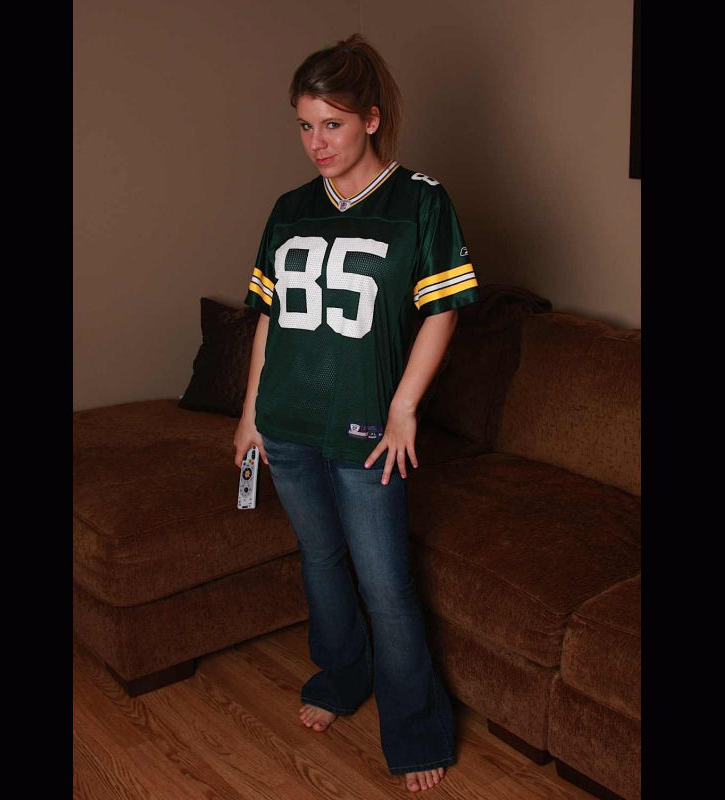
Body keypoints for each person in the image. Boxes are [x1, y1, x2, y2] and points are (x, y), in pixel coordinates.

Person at [233, 33, 479, 793]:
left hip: (368, 429)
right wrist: (250, 414)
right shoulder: (290, 209)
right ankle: (341, 677)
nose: (318, 142)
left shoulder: (421, 203)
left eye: (333, 124)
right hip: (288, 423)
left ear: (372, 119)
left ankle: (416, 730)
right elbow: (270, 319)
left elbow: (442, 312)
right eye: (305, 126)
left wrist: (404, 409)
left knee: (386, 584)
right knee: (321, 560)